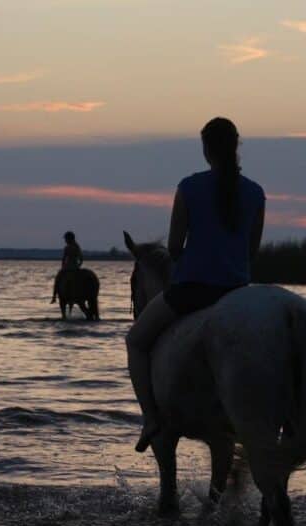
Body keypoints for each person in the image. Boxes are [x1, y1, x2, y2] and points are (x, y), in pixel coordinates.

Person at [125, 117, 266, 452]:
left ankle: (150, 418)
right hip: (236, 295)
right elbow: (251, 250)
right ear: (235, 147)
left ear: (206, 150)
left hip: (192, 291)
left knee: (136, 342)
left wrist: (197, 255)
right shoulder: (256, 193)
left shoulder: (189, 187)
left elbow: (174, 247)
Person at [51, 231, 84, 303]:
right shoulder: (77, 247)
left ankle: (54, 297)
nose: (65, 241)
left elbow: (63, 259)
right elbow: (81, 259)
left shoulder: (67, 247)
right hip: (76, 268)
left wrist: (62, 267)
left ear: (69, 239)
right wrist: (78, 266)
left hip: (67, 268)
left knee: (58, 278)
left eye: (66, 239)